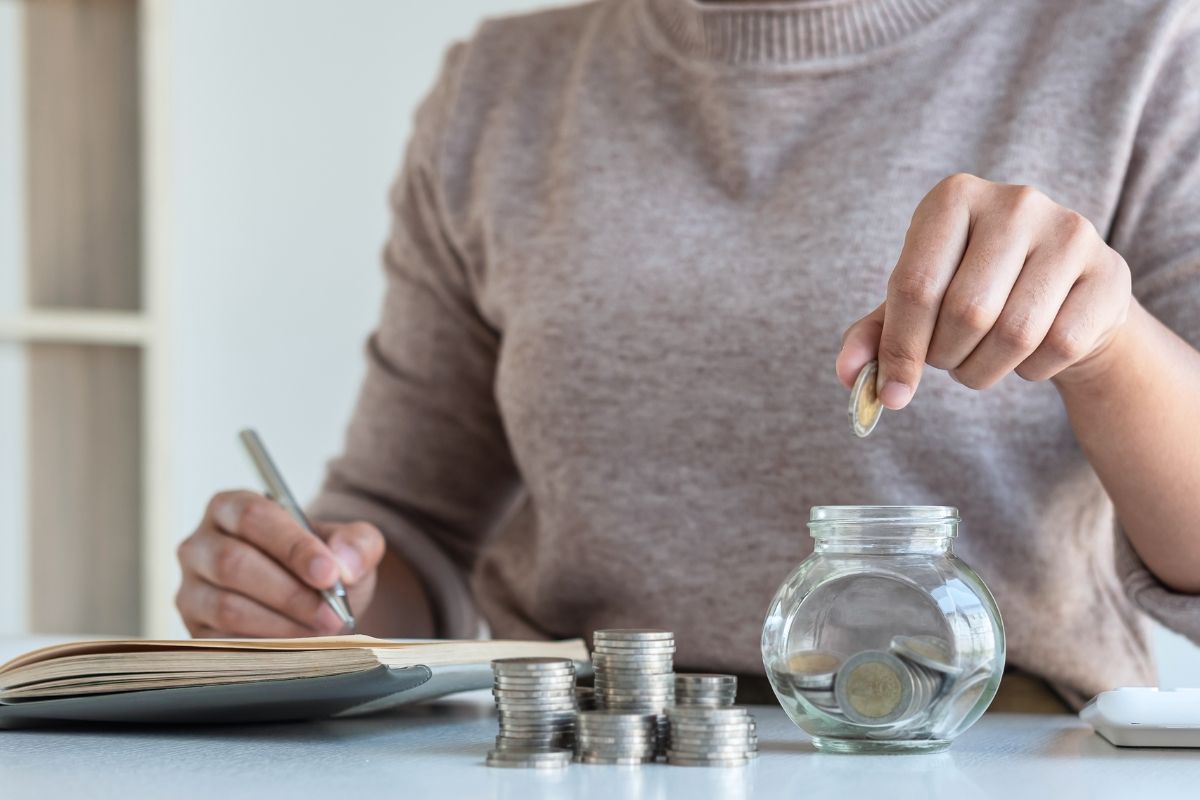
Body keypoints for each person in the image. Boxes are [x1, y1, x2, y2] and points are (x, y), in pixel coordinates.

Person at [175, 0, 1200, 711]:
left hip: (1000, 747)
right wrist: (310, 602)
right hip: (575, 745)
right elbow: (412, 527)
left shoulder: (1146, 50)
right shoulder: (500, 90)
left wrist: (1108, 348)